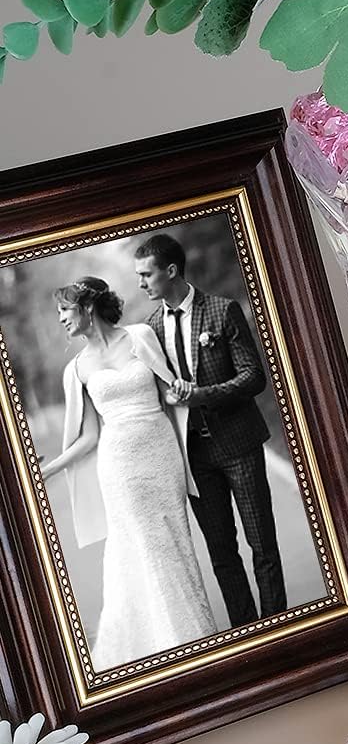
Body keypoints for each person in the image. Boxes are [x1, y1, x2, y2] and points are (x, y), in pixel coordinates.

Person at [40, 277, 218, 670]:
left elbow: (169, 392)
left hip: (161, 456)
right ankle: (166, 642)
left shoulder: (139, 337)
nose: (61, 319)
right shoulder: (76, 369)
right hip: (119, 467)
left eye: (64, 310)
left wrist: (179, 393)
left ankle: (192, 636)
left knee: (173, 543)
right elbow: (89, 436)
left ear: (87, 307)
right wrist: (48, 468)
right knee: (140, 546)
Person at [134, 233, 286, 628]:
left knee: (262, 544)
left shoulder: (222, 311)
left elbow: (253, 377)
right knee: (222, 554)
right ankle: (247, 632)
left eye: (146, 274)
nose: (141, 283)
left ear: (171, 271)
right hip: (195, 458)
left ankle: (279, 628)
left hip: (239, 445)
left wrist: (203, 394)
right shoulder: (150, 330)